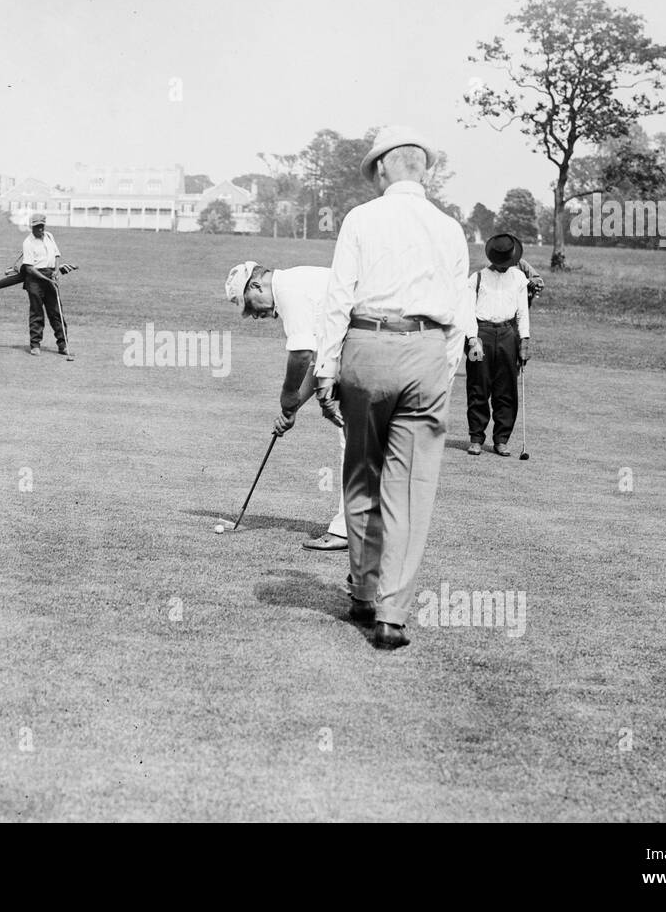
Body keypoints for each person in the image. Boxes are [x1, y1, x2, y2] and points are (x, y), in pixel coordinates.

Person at [314, 126, 472, 651]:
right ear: (423, 170)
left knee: (361, 472)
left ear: (382, 169)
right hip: (427, 350)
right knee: (410, 491)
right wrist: (440, 374)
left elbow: (339, 296)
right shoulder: (450, 228)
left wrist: (325, 368)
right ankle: (392, 614)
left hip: (368, 345)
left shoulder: (362, 218)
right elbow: (460, 315)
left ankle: (362, 590)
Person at [224, 260, 348, 551]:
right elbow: (318, 360)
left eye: (248, 304)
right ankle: (362, 528)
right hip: (359, 355)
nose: (253, 314)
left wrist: (287, 394)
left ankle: (346, 531)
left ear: (256, 285)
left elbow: (302, 353)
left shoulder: (290, 290)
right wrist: (292, 409)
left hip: (366, 354)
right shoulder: (297, 284)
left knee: (354, 443)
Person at [465, 232, 531, 457]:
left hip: (507, 334)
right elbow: (467, 312)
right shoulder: (477, 278)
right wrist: (473, 340)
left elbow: (523, 313)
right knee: (478, 387)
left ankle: (501, 439)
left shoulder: (519, 279)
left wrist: (524, 341)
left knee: (506, 390)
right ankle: (476, 438)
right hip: (481, 334)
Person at [18, 213, 72, 358]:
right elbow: (29, 268)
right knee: (37, 312)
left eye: (42, 226)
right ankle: (35, 345)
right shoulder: (28, 242)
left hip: (50, 276)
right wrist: (46, 279)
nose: (40, 229)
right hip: (35, 279)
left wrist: (55, 271)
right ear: (32, 227)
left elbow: (56, 256)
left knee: (56, 311)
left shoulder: (49, 236)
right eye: (37, 227)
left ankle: (63, 345)